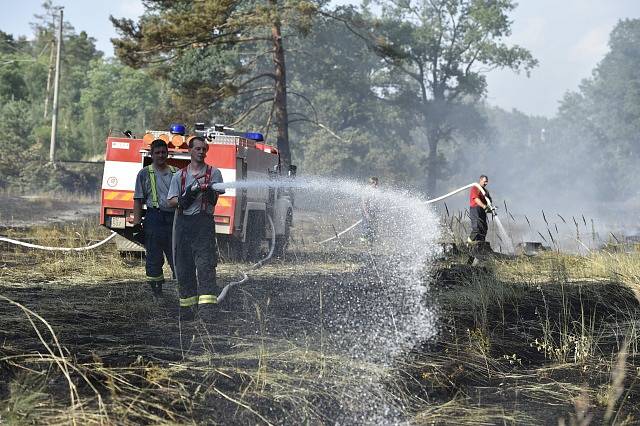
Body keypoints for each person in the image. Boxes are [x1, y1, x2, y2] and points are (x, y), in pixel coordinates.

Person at [167, 137, 225, 322]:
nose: (201, 152)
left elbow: (216, 196)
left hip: (204, 225)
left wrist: (208, 191)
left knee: (206, 267)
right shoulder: (179, 176)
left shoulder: (214, 173)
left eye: (204, 149)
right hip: (184, 226)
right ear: (190, 151)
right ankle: (187, 310)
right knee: (184, 268)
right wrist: (187, 194)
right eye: (198, 149)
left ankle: (208, 312)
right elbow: (171, 201)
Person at [128, 139, 177, 297]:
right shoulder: (144, 174)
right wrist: (136, 225)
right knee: (154, 257)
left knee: (177, 255)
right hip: (153, 218)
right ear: (151, 154)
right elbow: (138, 200)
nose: (161, 155)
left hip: (174, 220)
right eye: (157, 153)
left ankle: (182, 287)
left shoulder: (176, 173)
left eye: (163, 152)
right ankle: (157, 291)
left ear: (167, 153)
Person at [468, 174, 494, 244]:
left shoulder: (485, 191)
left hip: (482, 210)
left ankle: (481, 245)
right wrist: (485, 207)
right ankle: (468, 244)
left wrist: (490, 207)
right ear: (480, 180)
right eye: (485, 181)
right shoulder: (475, 188)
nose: (486, 183)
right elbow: (476, 199)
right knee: (476, 228)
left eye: (487, 182)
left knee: (483, 228)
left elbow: (489, 201)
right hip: (475, 209)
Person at [361, 176, 379, 244]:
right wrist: (366, 213)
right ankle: (364, 241)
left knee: (374, 227)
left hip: (373, 211)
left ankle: (371, 241)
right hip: (367, 211)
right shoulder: (367, 190)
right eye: (376, 183)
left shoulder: (376, 190)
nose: (377, 185)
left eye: (377, 183)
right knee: (367, 226)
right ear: (373, 182)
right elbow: (364, 202)